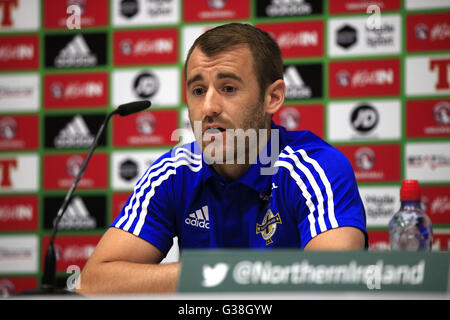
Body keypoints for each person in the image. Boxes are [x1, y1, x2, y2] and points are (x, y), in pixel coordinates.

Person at [77, 23, 367, 295]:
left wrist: (222, 276)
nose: (209, 108)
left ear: (273, 98)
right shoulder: (174, 173)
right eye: (198, 91)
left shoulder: (315, 167)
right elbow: (92, 282)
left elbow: (334, 277)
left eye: (228, 88)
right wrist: (210, 275)